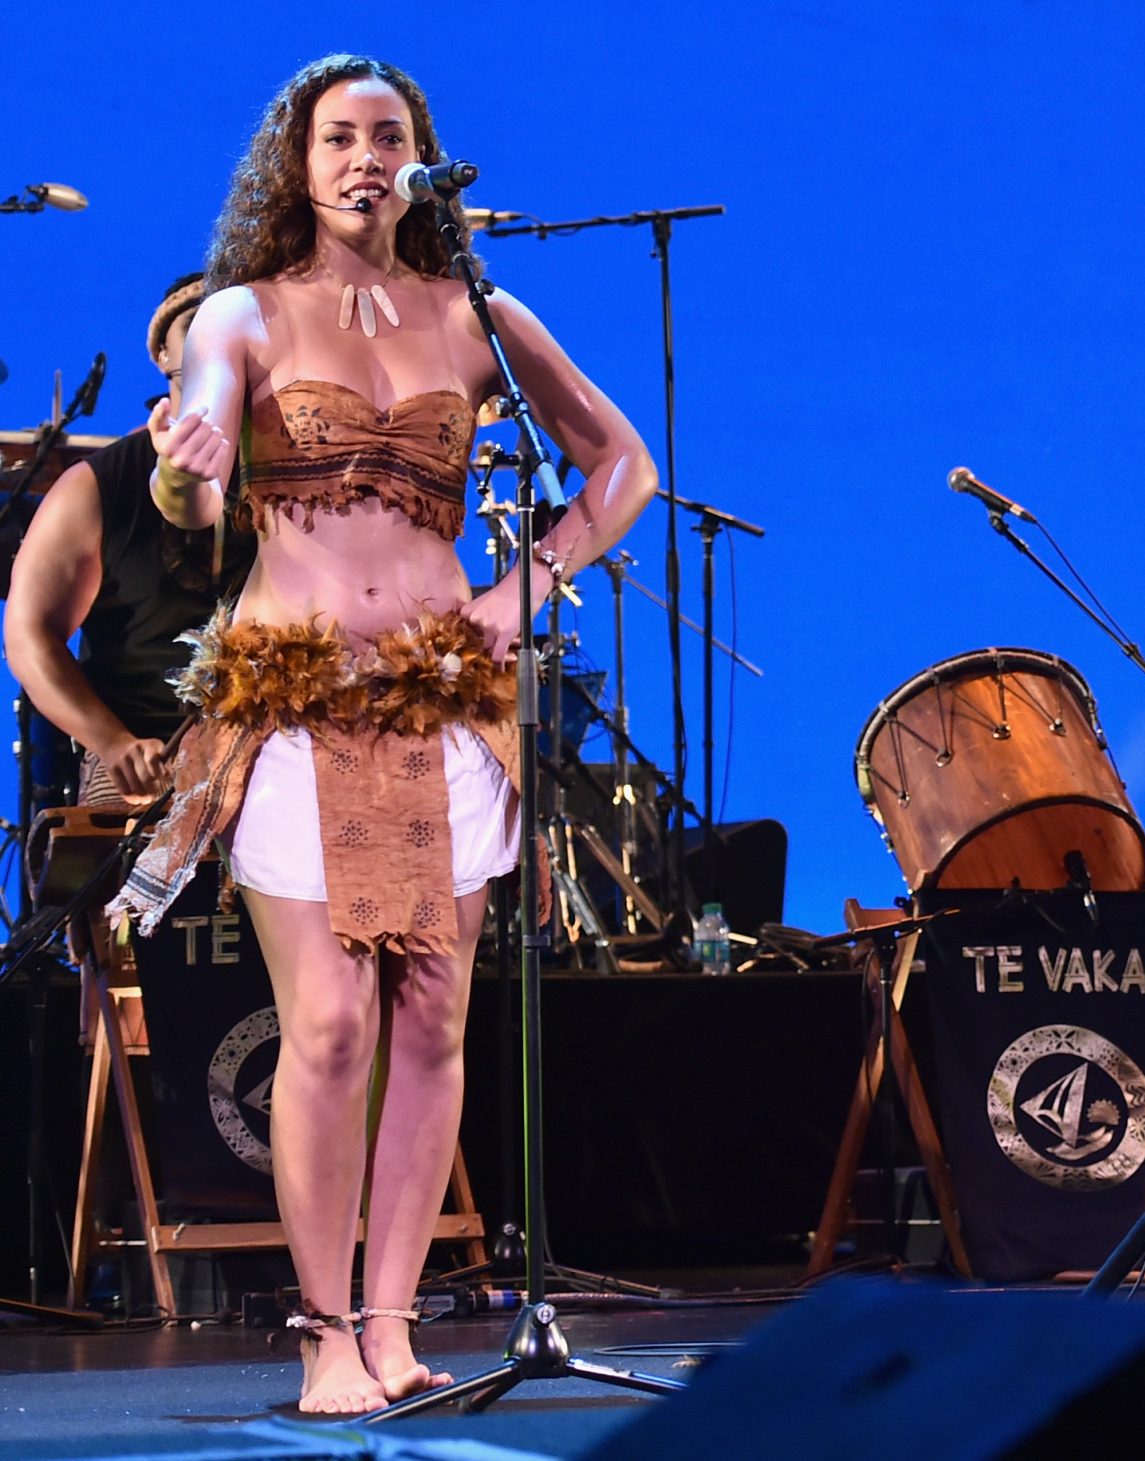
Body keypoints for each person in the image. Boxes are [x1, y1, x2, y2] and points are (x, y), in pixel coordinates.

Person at [108, 55, 656, 1413]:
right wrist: (182, 466)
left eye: (386, 136)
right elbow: (197, 480)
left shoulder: (477, 315)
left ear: (421, 159)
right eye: (337, 138)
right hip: (293, 705)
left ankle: (396, 1326)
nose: (363, 158)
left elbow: (623, 464)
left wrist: (519, 592)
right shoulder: (240, 314)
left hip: (440, 706)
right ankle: (322, 1334)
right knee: (333, 1022)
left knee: (429, 1019)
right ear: (295, 165)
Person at [5, 276, 259, 807]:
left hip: (274, 751)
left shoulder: (302, 477)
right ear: (163, 355)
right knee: (119, 836)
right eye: (196, 324)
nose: (215, 336)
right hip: (140, 753)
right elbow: (29, 631)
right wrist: (112, 742)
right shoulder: (99, 484)